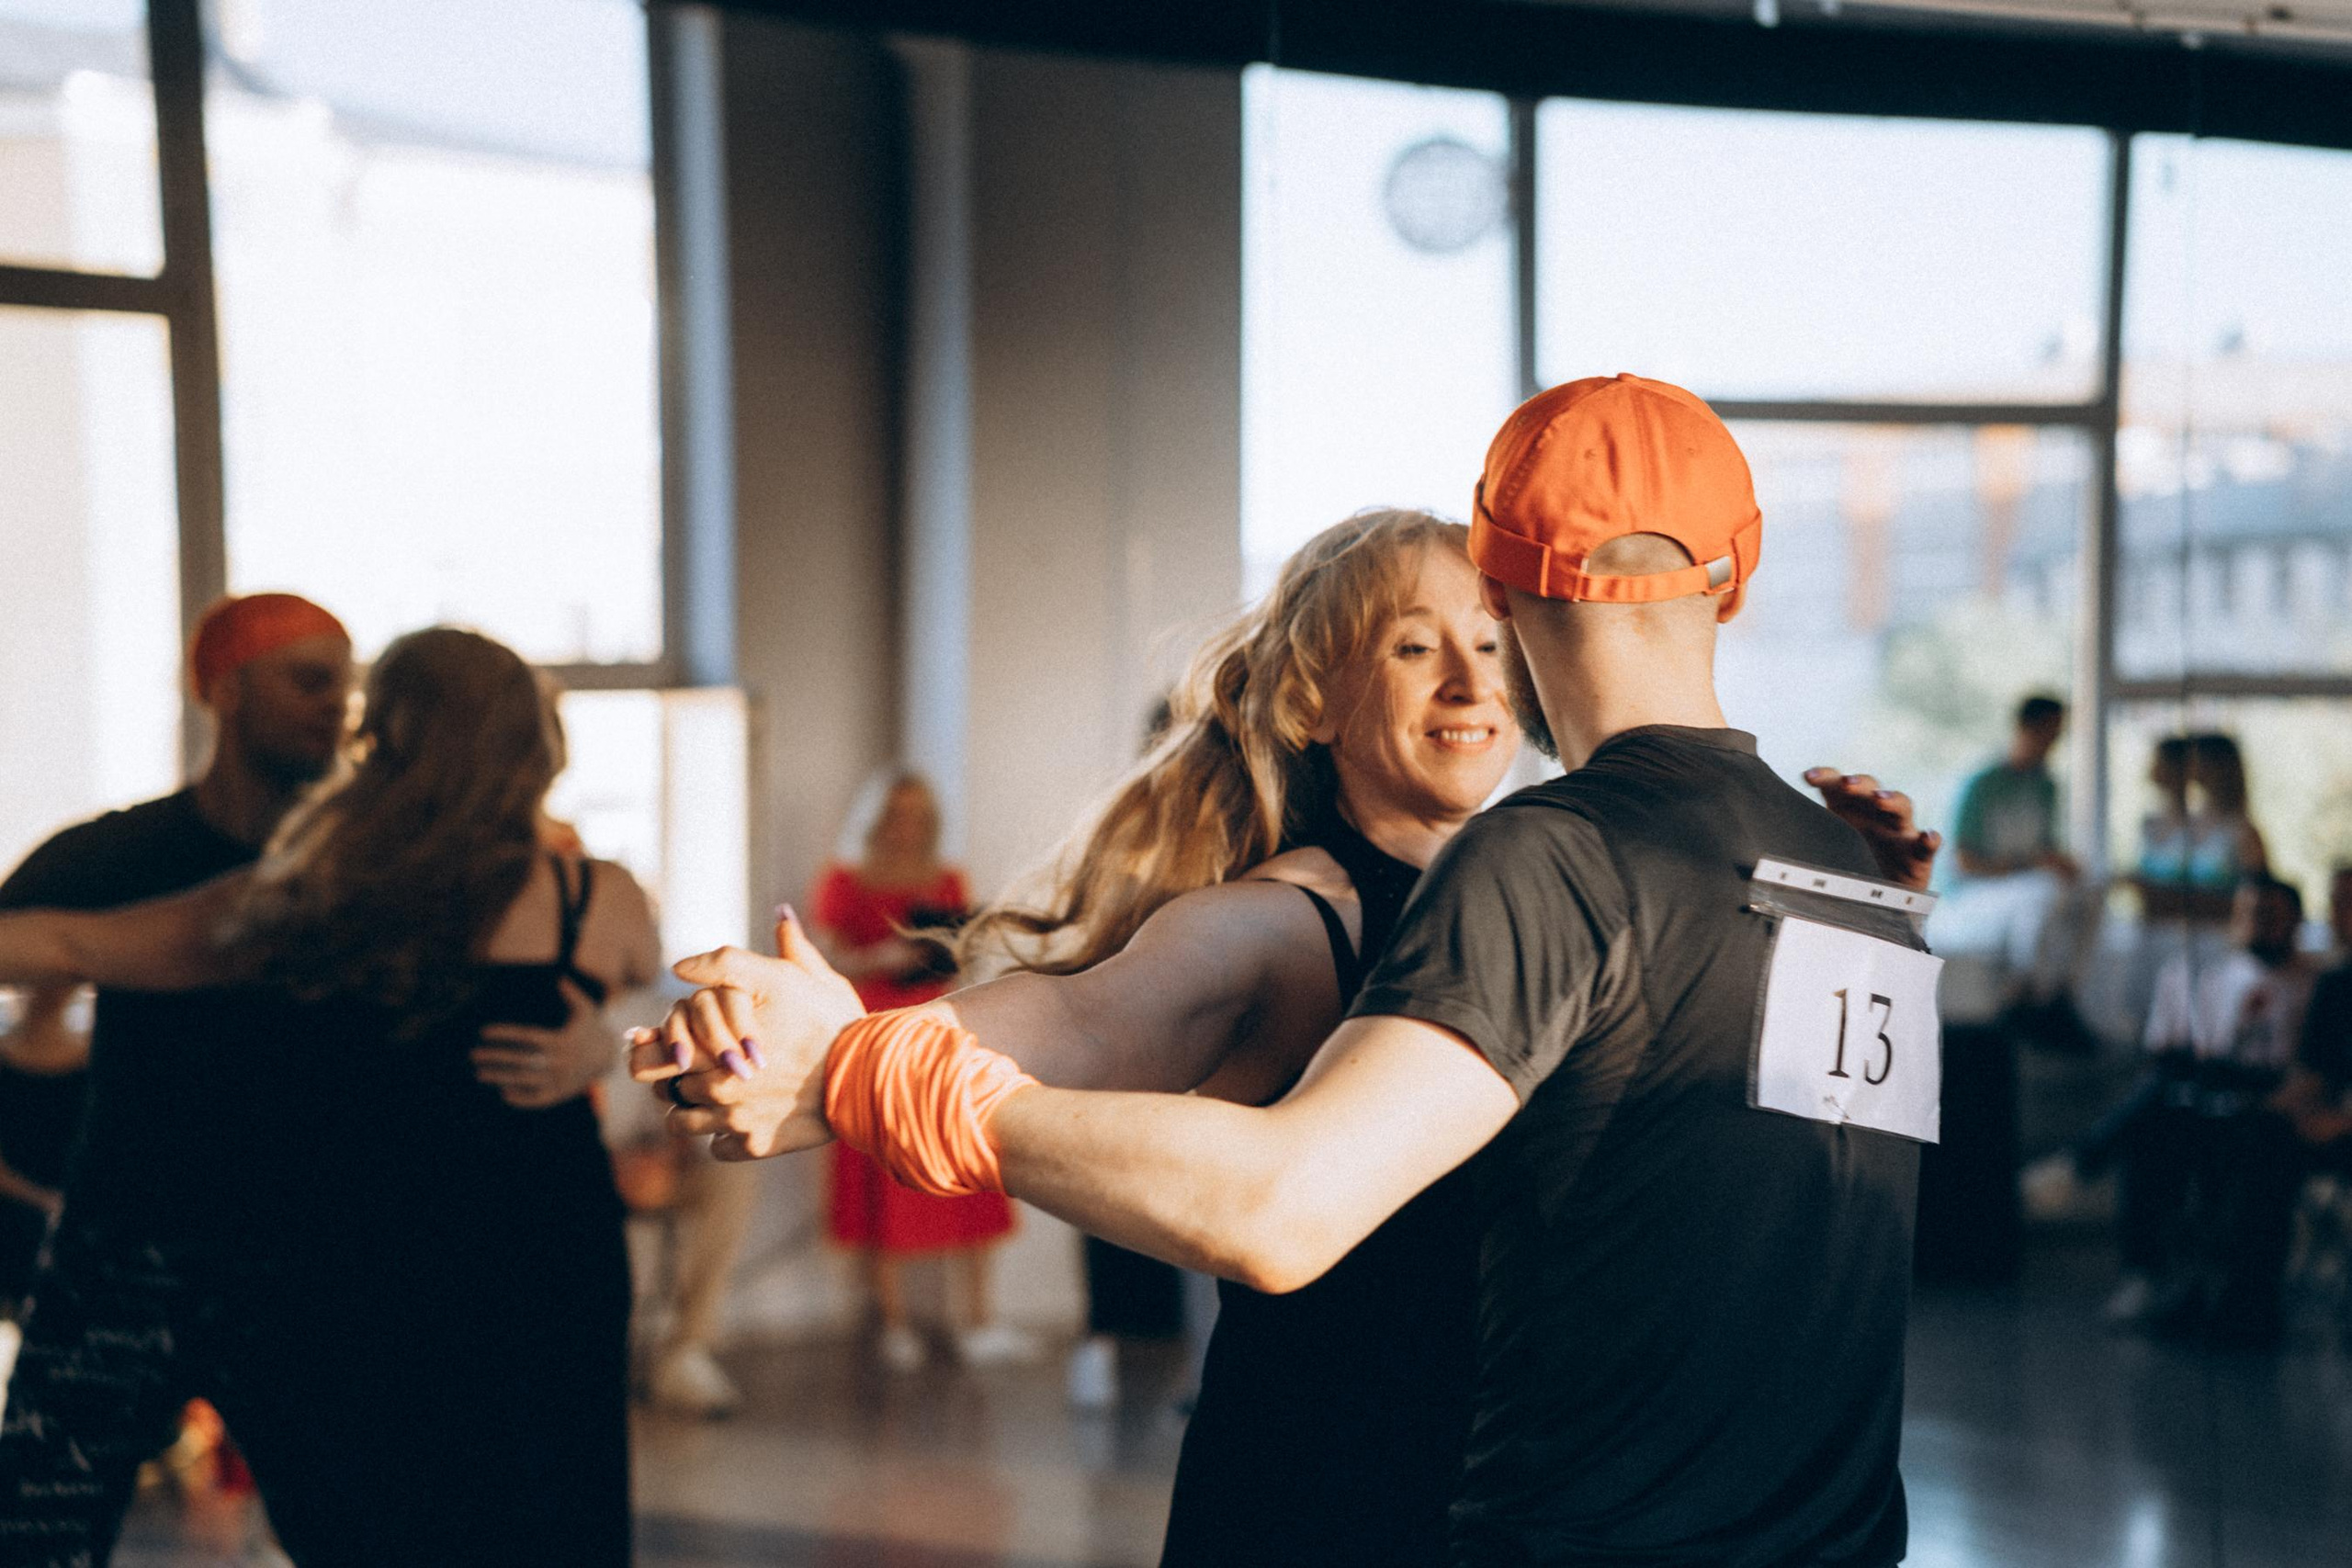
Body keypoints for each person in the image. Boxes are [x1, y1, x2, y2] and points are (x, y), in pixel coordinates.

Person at [655, 376, 1942, 1566]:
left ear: (1509, 597)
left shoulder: (1615, 865)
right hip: (1343, 1500)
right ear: (1738, 579)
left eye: (1477, 637)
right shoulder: (1347, 903)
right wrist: (857, 1063)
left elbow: (1742, 1190)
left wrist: (867, 1069)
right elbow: (1089, 1023)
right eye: (1411, 647)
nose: (1467, 683)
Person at [0, 626, 659, 1567]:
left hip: (368, 1263)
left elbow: (76, 946)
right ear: (531, 746)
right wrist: (606, 1043)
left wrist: (607, 1043)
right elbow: (667, 1011)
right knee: (557, 1515)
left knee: (394, 1530)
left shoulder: (312, 898)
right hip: (545, 1254)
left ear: (382, 741)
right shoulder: (599, 900)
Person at [811, 770, 1032, 1371]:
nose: (906, 825)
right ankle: (894, 1320)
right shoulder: (845, 880)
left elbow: (962, 950)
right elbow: (824, 957)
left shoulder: (946, 878)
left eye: (917, 813)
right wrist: (878, 958)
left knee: (973, 1160)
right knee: (885, 1172)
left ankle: (979, 1319)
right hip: (878, 1031)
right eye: (896, 812)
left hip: (940, 1025)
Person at [2102, 874, 2318, 1340]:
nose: (2258, 925)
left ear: (2295, 921)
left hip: (2276, 1104)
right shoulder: (2205, 974)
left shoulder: (2317, 983)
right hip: (2212, 1096)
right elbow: (2172, 1054)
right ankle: (2148, 1272)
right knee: (2155, 1129)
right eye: (2249, 915)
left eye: (2270, 916)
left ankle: (2086, 1157)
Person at [1952, 694, 2072, 882]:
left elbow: (2047, 850)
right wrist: (2025, 865)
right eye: (2046, 734)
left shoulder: (2045, 787)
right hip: (1980, 889)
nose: (2051, 745)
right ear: (2024, 728)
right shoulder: (1982, 785)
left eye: (2056, 736)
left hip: (2027, 883)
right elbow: (1964, 862)